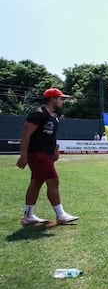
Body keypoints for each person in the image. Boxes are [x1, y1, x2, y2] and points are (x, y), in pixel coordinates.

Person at [16, 88, 79, 225]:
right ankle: (61, 215)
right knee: (53, 181)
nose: (63, 101)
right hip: (38, 154)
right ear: (52, 99)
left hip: (46, 154)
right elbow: (26, 135)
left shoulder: (54, 117)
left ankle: (28, 215)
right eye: (61, 99)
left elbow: (49, 137)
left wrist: (54, 151)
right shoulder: (38, 114)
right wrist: (23, 156)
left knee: (36, 182)